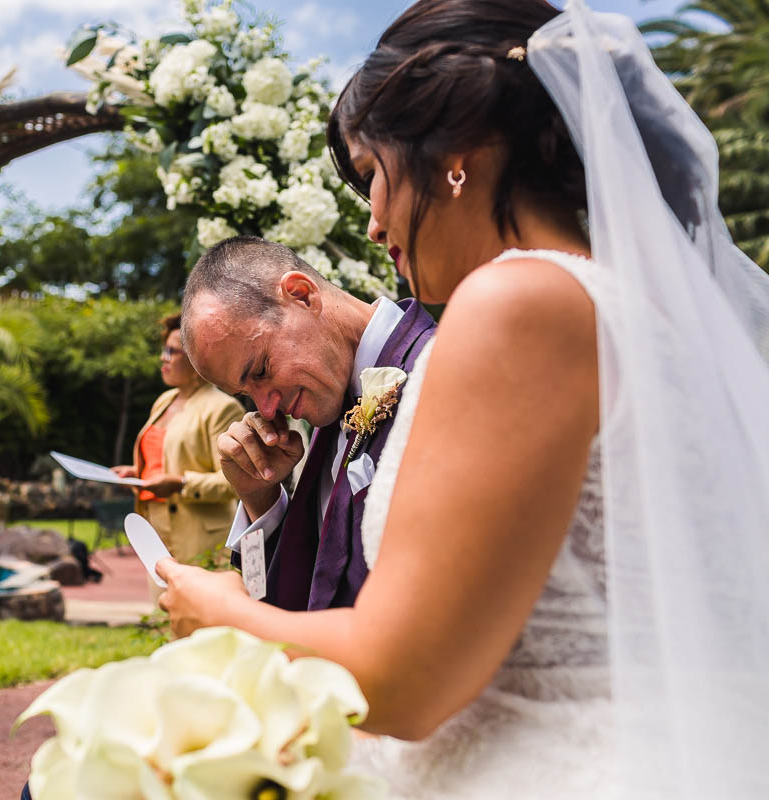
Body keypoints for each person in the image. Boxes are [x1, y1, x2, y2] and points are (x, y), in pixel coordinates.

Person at [156, 1, 769, 797]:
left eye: (374, 175)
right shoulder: (628, 308)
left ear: (458, 157)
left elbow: (405, 679)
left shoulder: (518, 306)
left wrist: (221, 611)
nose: (372, 224)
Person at [180, 239, 435, 610]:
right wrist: (260, 500)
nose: (266, 410)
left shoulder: (442, 374)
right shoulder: (329, 404)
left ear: (302, 295)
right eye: (246, 393)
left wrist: (233, 614)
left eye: (261, 370)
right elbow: (300, 599)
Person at [112, 314, 244, 584]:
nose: (163, 358)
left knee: (198, 619)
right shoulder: (163, 401)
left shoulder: (221, 408)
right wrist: (138, 472)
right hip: (155, 530)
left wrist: (181, 484)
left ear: (197, 359)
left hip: (198, 536)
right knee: (164, 615)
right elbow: (166, 459)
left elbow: (235, 481)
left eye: (171, 351)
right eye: (164, 350)